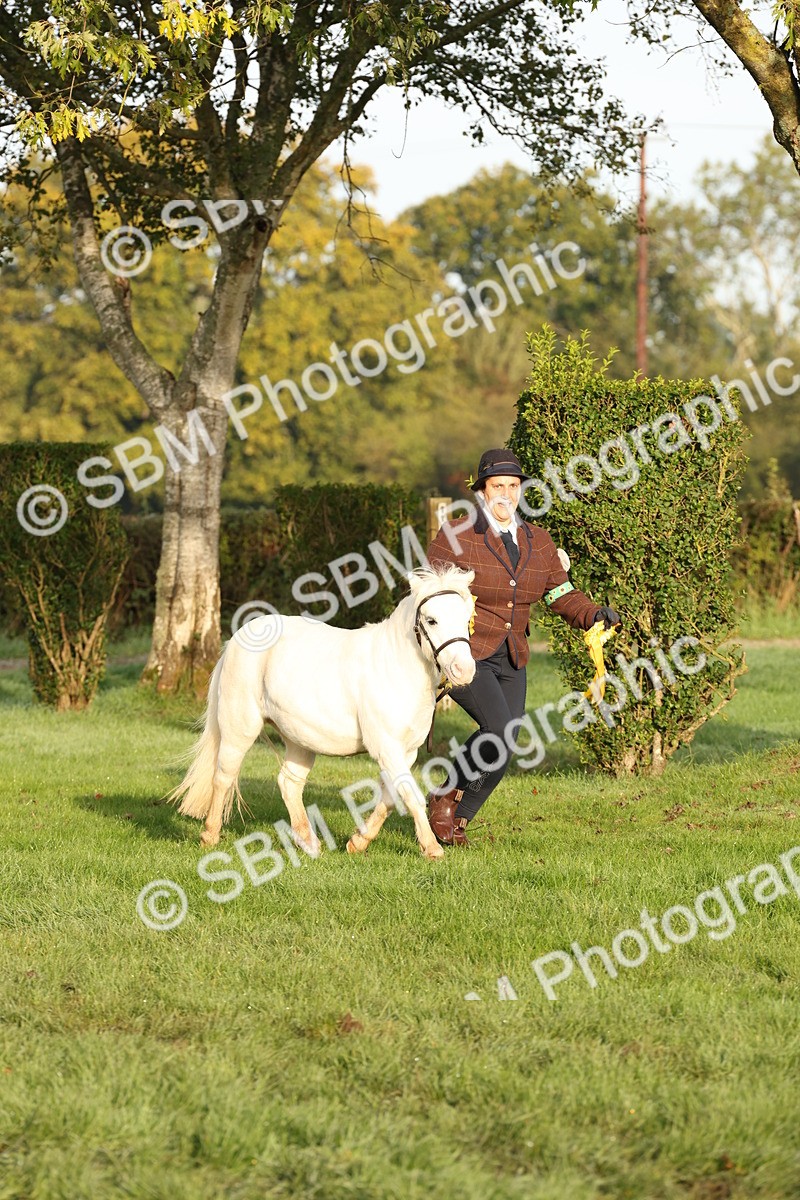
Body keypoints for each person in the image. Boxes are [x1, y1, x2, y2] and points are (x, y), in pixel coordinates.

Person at [425, 447, 620, 847]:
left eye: (513, 486)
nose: (506, 493)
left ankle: (457, 816)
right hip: (467, 652)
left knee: (506, 742)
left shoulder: (539, 541)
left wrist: (593, 614)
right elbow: (429, 595)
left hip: (513, 653)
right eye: (497, 485)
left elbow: (560, 593)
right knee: (496, 728)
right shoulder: (456, 537)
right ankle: (445, 797)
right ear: (481, 490)